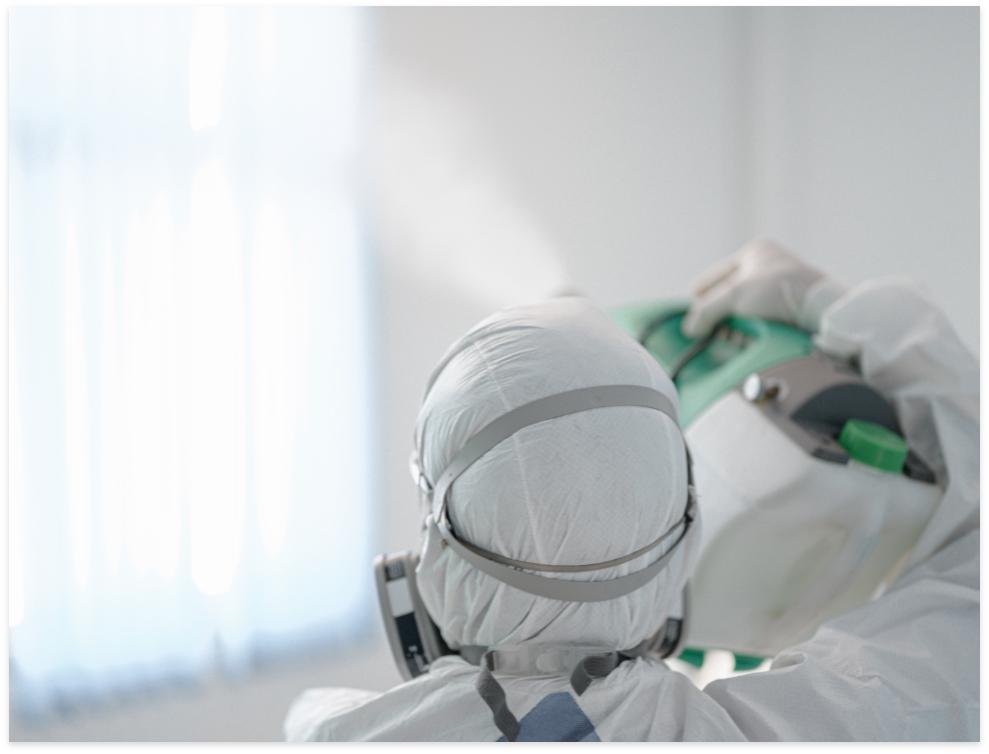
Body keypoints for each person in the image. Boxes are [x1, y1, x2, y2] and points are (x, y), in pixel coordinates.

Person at [285, 240, 979, 741]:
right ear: (684, 525)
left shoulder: (328, 732)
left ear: (435, 545)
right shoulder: (810, 725)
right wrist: (846, 309)